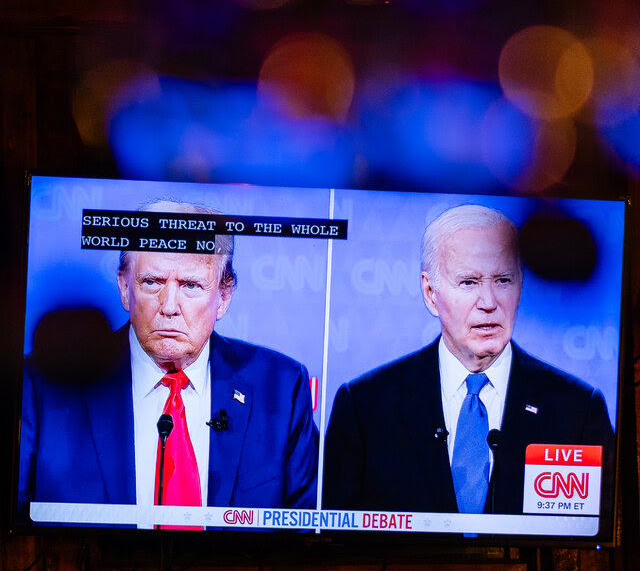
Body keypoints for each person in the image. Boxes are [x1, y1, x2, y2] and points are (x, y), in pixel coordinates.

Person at [19, 201, 318, 527]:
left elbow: (304, 534)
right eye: (152, 283)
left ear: (224, 296)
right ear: (124, 287)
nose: (169, 307)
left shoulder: (281, 387)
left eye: (190, 286)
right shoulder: (45, 385)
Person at [323, 204, 614, 520]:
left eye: (503, 280)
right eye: (469, 282)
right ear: (430, 292)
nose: (488, 303)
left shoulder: (578, 408)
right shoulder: (365, 405)